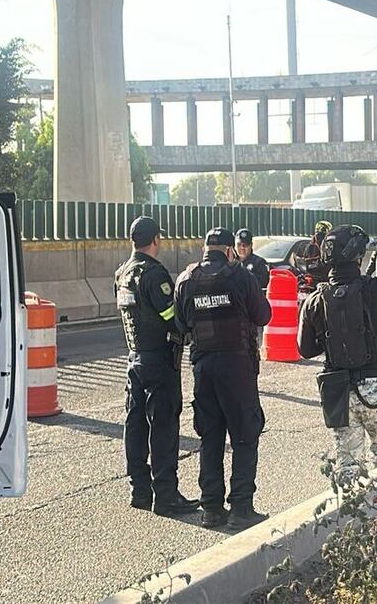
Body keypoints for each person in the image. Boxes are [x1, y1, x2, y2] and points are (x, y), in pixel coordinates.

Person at [297, 224, 377, 483]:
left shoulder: (316, 300)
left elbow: (305, 349)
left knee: (348, 467)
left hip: (339, 392)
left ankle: (352, 518)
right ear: (357, 256)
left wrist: (334, 336)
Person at [174, 227, 272, 531]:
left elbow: (180, 322)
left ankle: (212, 509)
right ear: (230, 250)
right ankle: (241, 507)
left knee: (211, 437)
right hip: (237, 367)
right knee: (245, 434)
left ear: (205, 249)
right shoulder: (241, 276)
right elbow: (263, 315)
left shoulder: (186, 279)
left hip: (203, 368)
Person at [114, 216, 199, 517]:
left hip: (134, 358)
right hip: (159, 360)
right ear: (156, 240)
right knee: (163, 426)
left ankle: (140, 491)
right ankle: (166, 496)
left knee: (135, 424)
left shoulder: (122, 273)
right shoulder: (154, 274)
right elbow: (171, 316)